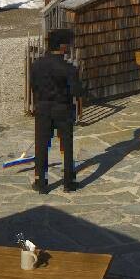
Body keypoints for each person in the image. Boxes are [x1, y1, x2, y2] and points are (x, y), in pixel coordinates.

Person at [29, 36, 83, 192]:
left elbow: (33, 86)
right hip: (63, 109)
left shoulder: (36, 65)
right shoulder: (68, 68)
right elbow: (76, 92)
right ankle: (68, 182)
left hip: (43, 108)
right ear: (61, 47)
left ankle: (41, 182)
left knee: (41, 145)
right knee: (66, 146)